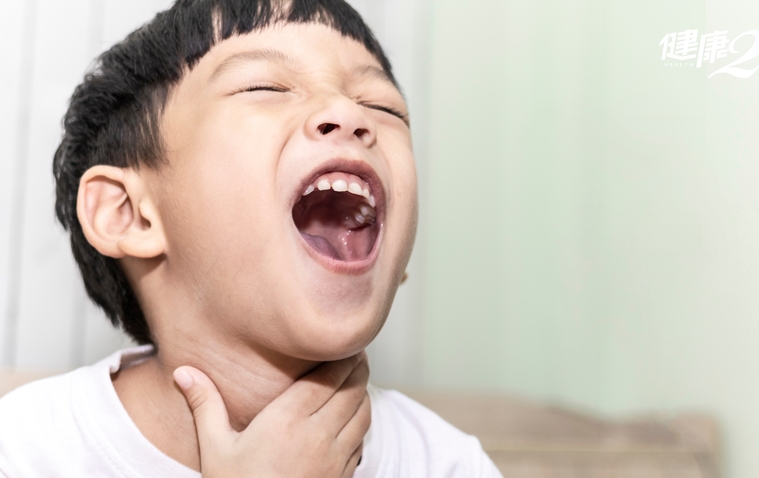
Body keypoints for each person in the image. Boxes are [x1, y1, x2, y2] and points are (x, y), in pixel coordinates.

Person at [0, 1, 502, 476]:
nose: (351, 114)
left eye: (382, 106)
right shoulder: (25, 452)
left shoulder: (449, 465)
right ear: (129, 215)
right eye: (266, 87)